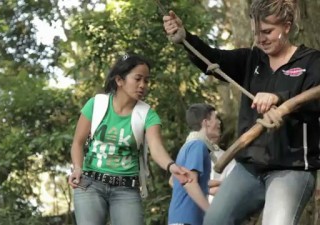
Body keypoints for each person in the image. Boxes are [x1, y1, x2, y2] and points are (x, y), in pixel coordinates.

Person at [163, 0, 320, 224]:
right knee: (214, 220)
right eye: (256, 33)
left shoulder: (312, 62)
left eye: (267, 31)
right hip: (248, 169)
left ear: (287, 25)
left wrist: (281, 99)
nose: (261, 39)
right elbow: (212, 58)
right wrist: (184, 36)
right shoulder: (251, 60)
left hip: (292, 169)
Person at [68, 53, 192, 225]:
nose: (143, 85)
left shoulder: (148, 115)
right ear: (119, 80)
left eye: (146, 81)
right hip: (90, 184)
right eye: (138, 79)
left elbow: (156, 148)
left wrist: (172, 166)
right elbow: (77, 143)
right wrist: (77, 168)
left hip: (126, 189)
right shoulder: (96, 105)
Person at [168, 103, 221, 225]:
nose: (219, 123)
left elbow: (176, 181)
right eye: (215, 118)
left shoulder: (189, 144)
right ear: (206, 122)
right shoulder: (197, 145)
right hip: (186, 221)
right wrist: (211, 213)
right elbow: (190, 184)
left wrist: (222, 184)